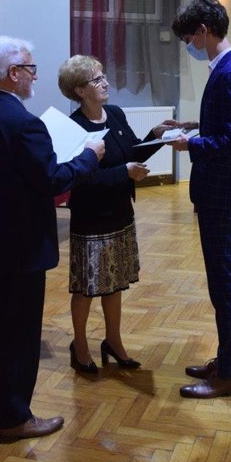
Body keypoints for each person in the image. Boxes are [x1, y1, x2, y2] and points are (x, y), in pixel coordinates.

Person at [0, 36, 105, 441]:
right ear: (13, 73)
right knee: (19, 332)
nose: (35, 76)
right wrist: (89, 157)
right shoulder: (24, 124)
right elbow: (52, 180)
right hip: (21, 245)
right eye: (31, 69)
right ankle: (15, 417)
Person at [56, 55, 175, 374]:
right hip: (91, 218)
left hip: (121, 213)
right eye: (96, 79)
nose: (105, 82)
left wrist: (157, 134)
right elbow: (79, 179)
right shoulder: (73, 128)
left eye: (103, 76)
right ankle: (80, 345)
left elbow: (132, 151)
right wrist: (124, 172)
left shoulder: (117, 114)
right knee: (86, 287)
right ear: (80, 90)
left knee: (115, 282)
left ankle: (113, 340)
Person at [169, 0, 231, 399]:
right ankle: (226, 360)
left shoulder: (230, 71)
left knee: (225, 286)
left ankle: (229, 374)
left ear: (204, 31)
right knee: (222, 283)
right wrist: (199, 125)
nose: (190, 45)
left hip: (222, 194)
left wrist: (193, 144)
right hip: (221, 190)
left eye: (189, 38)